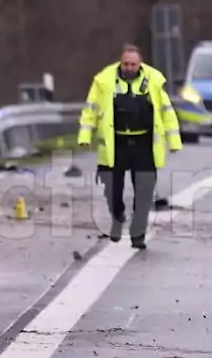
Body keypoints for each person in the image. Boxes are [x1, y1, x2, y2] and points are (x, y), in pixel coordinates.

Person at [78, 44, 182, 248]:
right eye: (125, 63)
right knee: (112, 191)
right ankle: (118, 217)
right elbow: (90, 110)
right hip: (115, 144)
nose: (129, 67)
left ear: (140, 64)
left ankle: (138, 233)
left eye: (133, 64)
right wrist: (85, 135)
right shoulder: (104, 82)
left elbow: (167, 112)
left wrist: (174, 141)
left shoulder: (153, 82)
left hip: (143, 144)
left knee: (144, 192)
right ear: (120, 62)